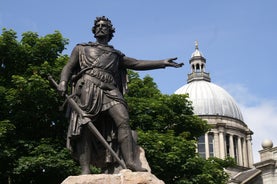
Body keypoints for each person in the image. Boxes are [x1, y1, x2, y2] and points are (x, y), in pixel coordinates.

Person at [58, 16, 183, 174]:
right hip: (88, 88)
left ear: (110, 32)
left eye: (104, 26)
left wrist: (162, 63)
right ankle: (85, 169)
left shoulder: (116, 55)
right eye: (98, 26)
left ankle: (130, 163)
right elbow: (68, 67)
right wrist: (63, 82)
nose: (101, 28)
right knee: (85, 127)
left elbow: (137, 63)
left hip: (110, 89)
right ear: (94, 30)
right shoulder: (81, 48)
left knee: (123, 121)